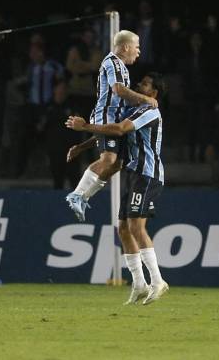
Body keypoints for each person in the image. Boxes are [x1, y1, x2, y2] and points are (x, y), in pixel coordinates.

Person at [66, 73, 168, 305]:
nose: (138, 86)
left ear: (154, 93)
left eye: (144, 84)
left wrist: (85, 126)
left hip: (147, 174)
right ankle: (139, 284)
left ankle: (158, 280)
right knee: (123, 228)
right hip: (133, 174)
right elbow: (112, 132)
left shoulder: (149, 111)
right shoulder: (135, 111)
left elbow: (120, 130)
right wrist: (83, 145)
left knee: (135, 226)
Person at [65, 30, 158, 222]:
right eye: (137, 47)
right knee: (108, 159)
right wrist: (145, 98)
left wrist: (81, 147)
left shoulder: (121, 66)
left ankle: (83, 196)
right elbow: (118, 89)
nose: (139, 52)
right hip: (107, 117)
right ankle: (77, 194)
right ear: (125, 47)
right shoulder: (113, 62)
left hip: (113, 118)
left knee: (117, 164)